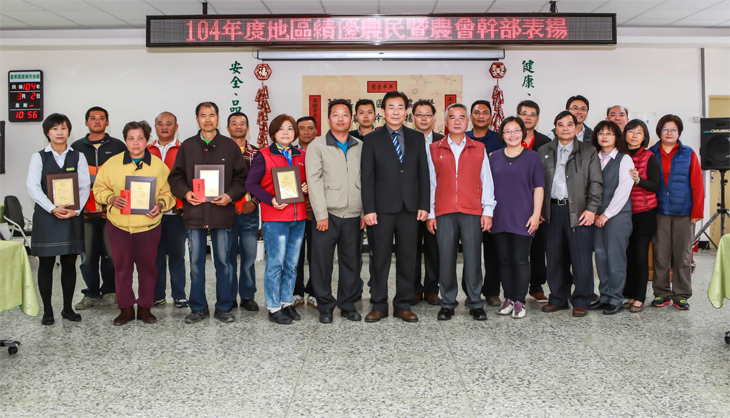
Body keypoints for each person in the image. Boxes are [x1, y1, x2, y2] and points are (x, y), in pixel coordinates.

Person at [168, 102, 248, 324]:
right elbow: (175, 177)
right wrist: (186, 193)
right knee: (195, 264)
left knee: (224, 262)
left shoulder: (229, 146)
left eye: (211, 115)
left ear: (218, 118)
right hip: (195, 214)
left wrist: (230, 195)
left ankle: (223, 307)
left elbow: (242, 178)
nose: (207, 119)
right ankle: (198, 307)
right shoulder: (188, 146)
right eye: (203, 116)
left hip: (221, 214)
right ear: (197, 120)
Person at [93, 121, 175, 325]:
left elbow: (168, 192)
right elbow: (98, 189)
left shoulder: (157, 165)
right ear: (125, 141)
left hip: (148, 226)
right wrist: (110, 199)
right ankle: (126, 308)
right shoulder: (112, 163)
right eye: (131, 138)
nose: (136, 143)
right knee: (122, 269)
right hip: (119, 226)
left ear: (147, 140)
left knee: (148, 268)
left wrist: (161, 204)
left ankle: (146, 307)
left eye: (140, 138)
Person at [361, 90, 430, 323]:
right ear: (383, 111)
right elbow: (367, 177)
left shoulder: (416, 138)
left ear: (406, 112)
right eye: (391, 107)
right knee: (379, 258)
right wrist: (368, 209)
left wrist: (424, 204)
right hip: (380, 210)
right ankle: (378, 304)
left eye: (400, 107)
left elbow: (424, 174)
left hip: (410, 209)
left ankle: (403, 304)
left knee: (408, 258)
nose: (395, 112)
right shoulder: (371, 139)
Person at [427, 104, 494, 321]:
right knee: (445, 258)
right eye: (452, 117)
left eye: (461, 117)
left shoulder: (479, 148)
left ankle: (475, 302)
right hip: (444, 211)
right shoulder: (434, 148)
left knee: (474, 258)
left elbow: (487, 182)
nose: (457, 121)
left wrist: (488, 211)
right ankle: (447, 302)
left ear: (467, 122)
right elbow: (431, 184)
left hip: (472, 211)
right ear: (445, 123)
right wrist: (430, 213)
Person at [27, 113, 90, 325]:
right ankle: (47, 311)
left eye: (63, 128)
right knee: (45, 264)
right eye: (55, 129)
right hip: (47, 217)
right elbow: (33, 187)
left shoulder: (78, 156)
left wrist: (77, 210)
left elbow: (84, 186)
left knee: (69, 263)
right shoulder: (39, 157)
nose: (60, 132)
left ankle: (67, 308)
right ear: (47, 132)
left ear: (69, 131)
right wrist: (53, 208)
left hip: (71, 216)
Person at [246, 114, 308, 324]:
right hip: (275, 219)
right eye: (281, 129)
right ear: (273, 133)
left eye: (290, 129)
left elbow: (306, 182)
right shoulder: (263, 155)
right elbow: (251, 185)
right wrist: (271, 199)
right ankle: (273, 307)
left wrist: (306, 188)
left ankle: (286, 302)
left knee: (292, 264)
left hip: (298, 217)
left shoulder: (301, 155)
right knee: (276, 263)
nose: (286, 132)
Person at [539, 111, 603, 318]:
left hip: (579, 211)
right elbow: (537, 183)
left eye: (569, 124)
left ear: (576, 128)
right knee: (555, 258)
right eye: (560, 124)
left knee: (581, 258)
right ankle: (557, 298)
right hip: (552, 210)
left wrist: (592, 209)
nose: (565, 128)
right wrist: (538, 210)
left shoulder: (588, 151)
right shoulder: (544, 150)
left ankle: (582, 299)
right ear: (555, 128)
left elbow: (596, 183)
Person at [306, 99, 364, 323]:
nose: (341, 118)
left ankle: (347, 304)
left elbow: (367, 180)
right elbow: (314, 180)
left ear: (352, 119)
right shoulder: (317, 146)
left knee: (352, 262)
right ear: (328, 119)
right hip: (326, 215)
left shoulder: (360, 145)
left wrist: (364, 212)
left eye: (345, 114)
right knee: (322, 263)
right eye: (336, 114)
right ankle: (325, 305)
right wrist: (320, 214)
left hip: (353, 214)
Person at [489, 117, 545, 319]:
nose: (512, 135)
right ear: (502, 135)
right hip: (499, 216)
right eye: (507, 131)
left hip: (524, 217)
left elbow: (539, 188)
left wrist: (536, 214)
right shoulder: (493, 157)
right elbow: (487, 188)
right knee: (503, 260)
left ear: (523, 133)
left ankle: (520, 300)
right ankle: (509, 298)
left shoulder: (532, 157)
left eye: (516, 130)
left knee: (521, 260)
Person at [71, 106, 125, 310]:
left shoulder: (118, 146)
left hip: (110, 212)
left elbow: (124, 177)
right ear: (86, 122)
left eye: (101, 118)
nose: (97, 121)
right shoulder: (76, 147)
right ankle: (91, 293)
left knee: (112, 255)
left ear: (107, 122)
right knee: (87, 256)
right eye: (93, 118)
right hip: (84, 212)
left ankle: (111, 291)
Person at [649, 114, 704, 310]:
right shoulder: (650, 153)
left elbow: (697, 184)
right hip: (659, 211)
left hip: (684, 212)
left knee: (683, 256)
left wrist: (697, 211)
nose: (669, 133)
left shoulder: (688, 153)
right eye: (665, 129)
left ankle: (681, 295)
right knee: (660, 255)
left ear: (679, 132)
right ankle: (661, 293)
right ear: (659, 132)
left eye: (673, 129)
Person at [588, 121, 634, 315]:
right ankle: (604, 295)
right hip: (596, 215)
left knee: (615, 258)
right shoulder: (593, 158)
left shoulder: (624, 159)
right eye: (600, 133)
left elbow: (624, 189)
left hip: (617, 216)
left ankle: (616, 297)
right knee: (601, 256)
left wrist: (607, 214)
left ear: (617, 137)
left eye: (609, 133)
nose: (604, 137)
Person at [465, 100, 504, 306]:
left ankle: (491, 291)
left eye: (485, 113)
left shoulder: (499, 140)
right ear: (470, 117)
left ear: (491, 117)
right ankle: (470, 290)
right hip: (467, 203)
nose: (481, 116)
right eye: (477, 112)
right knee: (469, 251)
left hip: (491, 203)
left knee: (492, 251)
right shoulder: (463, 138)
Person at [148, 111, 188, 309]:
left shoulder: (185, 150)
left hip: (176, 213)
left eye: (169, 123)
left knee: (177, 255)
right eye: (160, 123)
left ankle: (179, 294)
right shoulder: (146, 151)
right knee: (154, 257)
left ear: (176, 127)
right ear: (155, 127)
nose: (164, 127)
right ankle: (157, 295)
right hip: (151, 213)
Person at [622, 119, 660, 313]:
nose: (634, 135)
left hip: (643, 213)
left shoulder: (649, 156)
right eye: (631, 131)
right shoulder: (619, 154)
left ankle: (639, 297)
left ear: (644, 136)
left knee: (640, 256)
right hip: (622, 213)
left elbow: (656, 185)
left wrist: (639, 180)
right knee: (626, 256)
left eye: (639, 132)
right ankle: (628, 294)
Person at [516, 100, 551, 303]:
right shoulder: (509, 139)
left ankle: (536, 286)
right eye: (524, 113)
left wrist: (542, 208)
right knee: (515, 249)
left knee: (538, 247)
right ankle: (513, 286)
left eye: (532, 114)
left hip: (539, 205)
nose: (528, 117)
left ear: (537, 119)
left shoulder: (546, 143)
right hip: (514, 203)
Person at [227, 111, 261, 312]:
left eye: (242, 123)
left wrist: (255, 202)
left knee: (249, 257)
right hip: (225, 211)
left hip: (249, 211)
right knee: (227, 256)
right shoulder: (220, 152)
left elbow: (262, 183)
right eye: (234, 123)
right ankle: (229, 296)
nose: (238, 126)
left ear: (248, 128)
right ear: (227, 128)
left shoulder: (257, 154)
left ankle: (248, 296)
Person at [412, 99, 443, 305]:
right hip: (411, 204)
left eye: (427, 114)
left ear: (434, 118)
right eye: (419, 114)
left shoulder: (443, 141)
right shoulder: (406, 139)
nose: (424, 118)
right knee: (411, 249)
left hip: (437, 204)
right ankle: (413, 289)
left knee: (434, 249)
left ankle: (432, 289)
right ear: (412, 117)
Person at [293, 116, 317, 308]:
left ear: (316, 131)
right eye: (302, 128)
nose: (306, 131)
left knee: (317, 253)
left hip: (319, 210)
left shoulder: (323, 149)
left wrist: (314, 200)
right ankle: (296, 291)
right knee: (296, 252)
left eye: (310, 128)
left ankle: (315, 291)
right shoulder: (289, 152)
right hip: (296, 209)